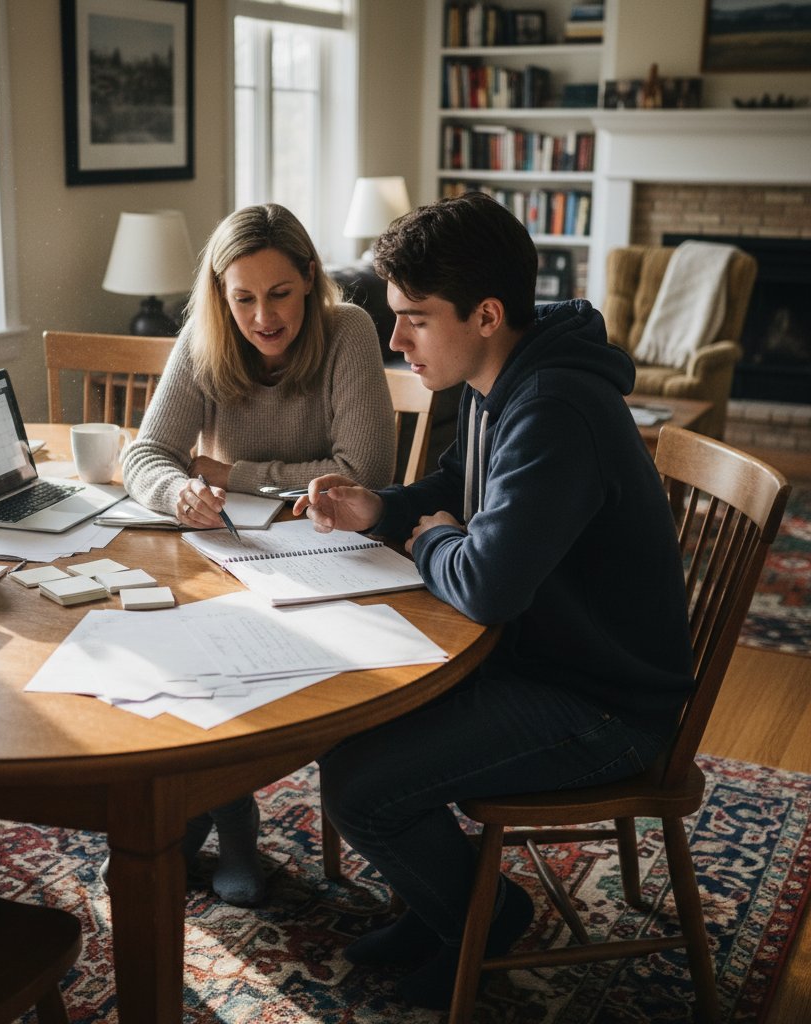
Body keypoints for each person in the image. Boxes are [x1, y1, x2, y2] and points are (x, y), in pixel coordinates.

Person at [293, 192, 694, 1010]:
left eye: (413, 318)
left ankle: (488, 913)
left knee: (365, 790)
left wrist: (435, 539)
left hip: (604, 704)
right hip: (547, 659)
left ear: (484, 313)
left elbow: (487, 583)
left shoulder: (555, 407)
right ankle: (449, 911)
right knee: (349, 738)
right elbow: (459, 486)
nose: (396, 339)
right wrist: (385, 508)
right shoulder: (504, 371)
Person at [122, 203, 396, 907]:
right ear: (219, 293)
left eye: (278, 293)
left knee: (246, 655)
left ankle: (217, 817)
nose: (262, 317)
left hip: (328, 548)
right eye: (241, 297)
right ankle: (223, 815)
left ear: (310, 277)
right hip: (229, 546)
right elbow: (147, 453)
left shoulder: (349, 331)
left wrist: (231, 473)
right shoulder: (202, 339)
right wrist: (181, 488)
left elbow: (361, 468)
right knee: (175, 638)